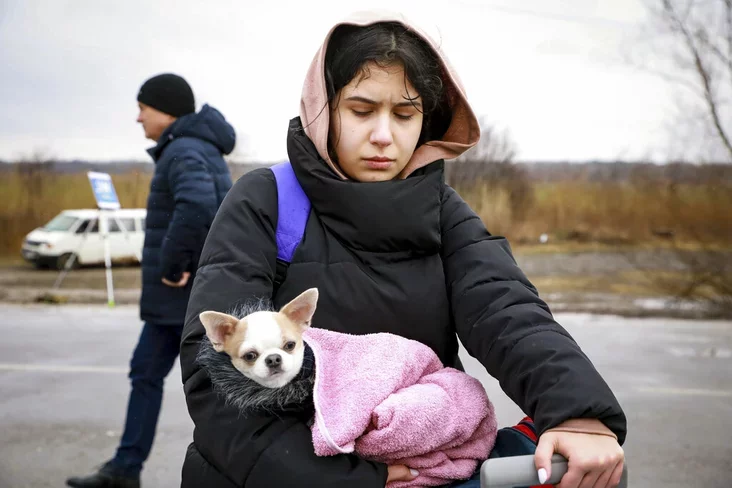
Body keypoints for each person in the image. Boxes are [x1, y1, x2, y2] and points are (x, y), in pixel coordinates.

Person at [180, 11, 626, 488]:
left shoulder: (441, 211)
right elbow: (215, 373)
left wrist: (577, 412)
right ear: (324, 108)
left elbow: (507, 309)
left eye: (404, 114)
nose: (383, 135)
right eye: (361, 109)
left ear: (425, 120)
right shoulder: (266, 199)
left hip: (420, 467)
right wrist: (344, 480)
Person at [67, 73, 235, 488]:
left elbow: (196, 206)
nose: (138, 117)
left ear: (164, 108)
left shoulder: (182, 150)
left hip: (180, 294)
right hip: (191, 294)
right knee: (173, 379)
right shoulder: (199, 148)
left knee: (197, 386)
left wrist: (171, 265)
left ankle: (132, 469)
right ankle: (125, 469)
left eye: (142, 107)